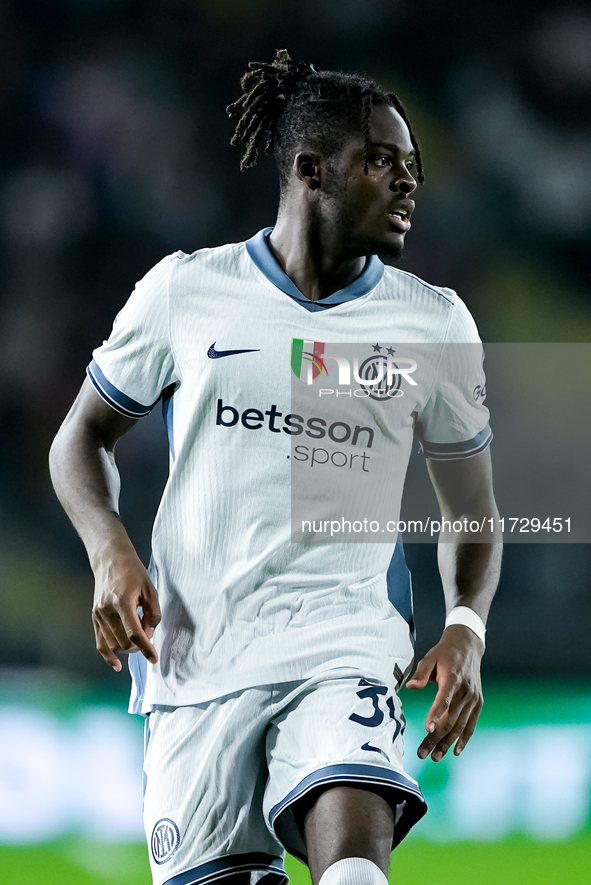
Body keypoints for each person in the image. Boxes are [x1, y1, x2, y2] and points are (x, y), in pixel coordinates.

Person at [49, 50, 502, 885]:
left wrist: (465, 626)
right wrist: (109, 549)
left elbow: (471, 505)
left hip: (344, 647)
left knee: (354, 874)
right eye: (381, 163)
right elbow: (79, 439)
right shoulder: (185, 292)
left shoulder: (432, 323)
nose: (406, 183)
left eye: (412, 168)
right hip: (196, 665)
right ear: (309, 170)